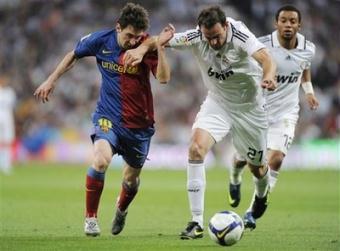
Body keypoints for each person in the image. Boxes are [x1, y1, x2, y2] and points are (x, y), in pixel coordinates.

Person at [124, 5, 277, 237]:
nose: (213, 42)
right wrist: (142, 49)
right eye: (209, 38)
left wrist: (268, 76)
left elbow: (266, 58)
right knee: (195, 148)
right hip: (218, 103)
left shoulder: (240, 35)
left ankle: (261, 195)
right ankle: (196, 222)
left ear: (225, 26)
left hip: (250, 108)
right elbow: (160, 40)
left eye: (217, 37)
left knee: (257, 168)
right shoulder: (196, 37)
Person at [34, 3, 174, 237]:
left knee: (131, 180)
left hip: (139, 126)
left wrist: (158, 47)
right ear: (118, 27)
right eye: (129, 35)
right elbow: (73, 54)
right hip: (108, 117)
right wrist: (51, 80)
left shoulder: (145, 45)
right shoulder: (101, 40)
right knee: (100, 160)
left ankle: (121, 209)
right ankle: (91, 218)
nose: (132, 41)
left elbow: (164, 78)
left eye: (137, 37)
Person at [228, 4, 319, 225]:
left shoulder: (309, 48)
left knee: (274, 159)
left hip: (286, 113)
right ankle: (234, 178)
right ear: (276, 23)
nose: (288, 25)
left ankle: (252, 210)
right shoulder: (261, 45)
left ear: (299, 24)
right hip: (257, 112)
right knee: (243, 160)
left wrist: (309, 92)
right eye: (284, 20)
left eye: (293, 21)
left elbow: (303, 70)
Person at [0, 76, 16, 175]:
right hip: (5, 117)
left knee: (7, 142)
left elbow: (12, 105)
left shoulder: (10, 92)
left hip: (7, 118)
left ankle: (6, 164)